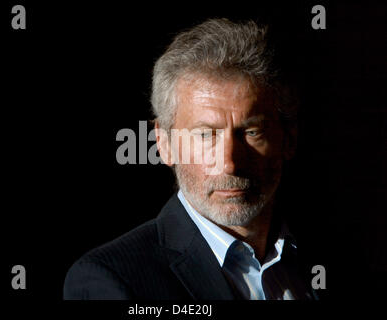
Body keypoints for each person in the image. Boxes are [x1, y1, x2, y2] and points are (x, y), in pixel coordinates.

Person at [64, 18, 317, 300]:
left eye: (251, 132)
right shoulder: (112, 281)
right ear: (164, 144)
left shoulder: (332, 260)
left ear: (289, 139)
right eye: (206, 135)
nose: (230, 163)